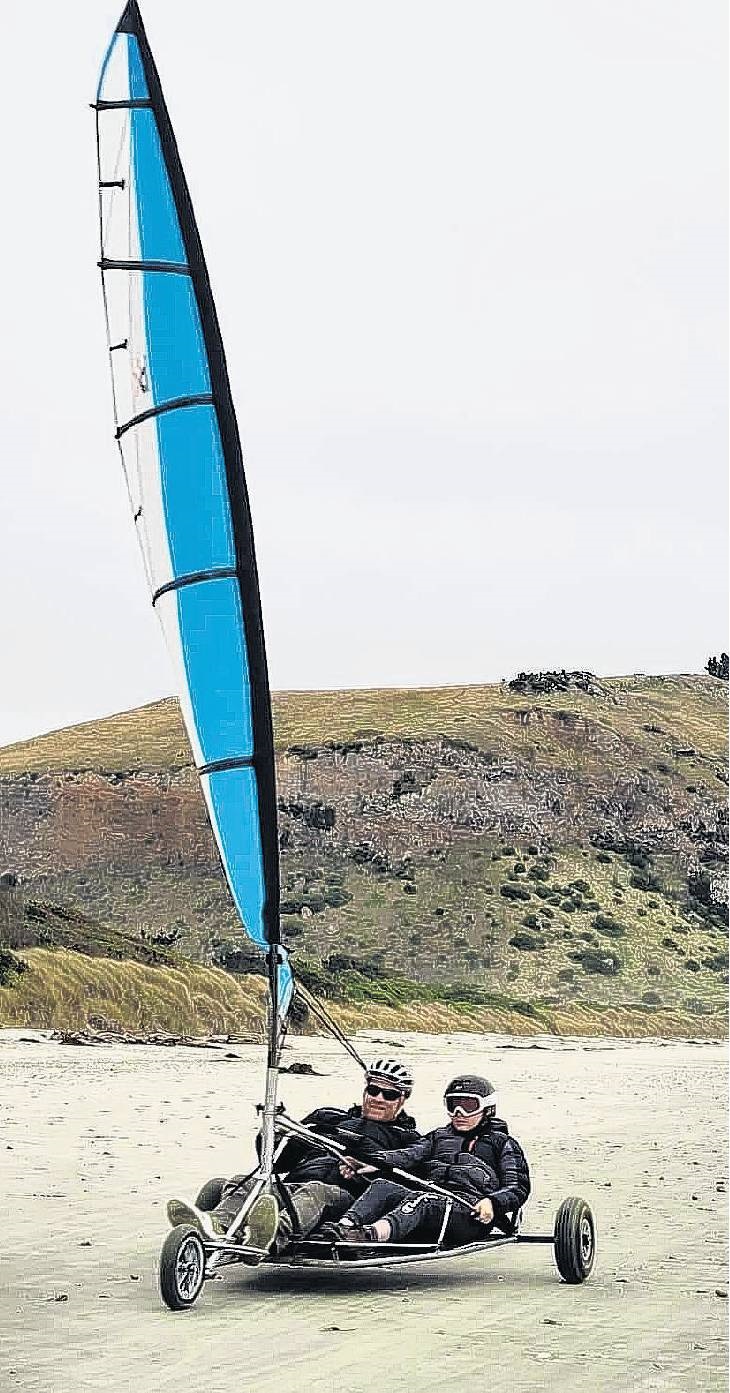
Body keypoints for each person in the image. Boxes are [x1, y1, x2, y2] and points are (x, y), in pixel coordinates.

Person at [166, 1057, 419, 1259]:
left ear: (402, 1100)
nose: (378, 1099)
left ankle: (271, 1236)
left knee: (315, 1191)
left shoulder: (407, 1140)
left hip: (344, 1197)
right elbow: (278, 1161)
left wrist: (370, 1165)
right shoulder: (327, 1117)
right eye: (373, 1090)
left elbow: (401, 1185)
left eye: (389, 1095)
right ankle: (215, 1228)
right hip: (294, 1184)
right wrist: (271, 1135)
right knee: (244, 1182)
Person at [318, 1072, 530, 1247]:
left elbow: (517, 1187)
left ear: (487, 1108)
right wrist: (367, 1161)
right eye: (453, 1105)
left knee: (421, 1200)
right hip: (432, 1201)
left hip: (469, 1212)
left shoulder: (503, 1143)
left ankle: (367, 1237)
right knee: (384, 1185)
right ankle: (342, 1229)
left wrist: (492, 1202)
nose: (459, 1113)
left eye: (468, 1106)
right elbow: (406, 1155)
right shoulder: (437, 1137)